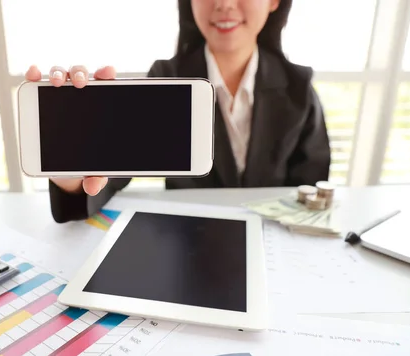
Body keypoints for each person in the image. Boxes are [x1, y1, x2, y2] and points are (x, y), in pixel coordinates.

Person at [25, 0, 331, 223]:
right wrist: (72, 174)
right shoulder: (165, 78)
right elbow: (113, 174)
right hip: (189, 242)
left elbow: (310, 194)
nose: (224, 4)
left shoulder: (298, 87)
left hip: (271, 250)